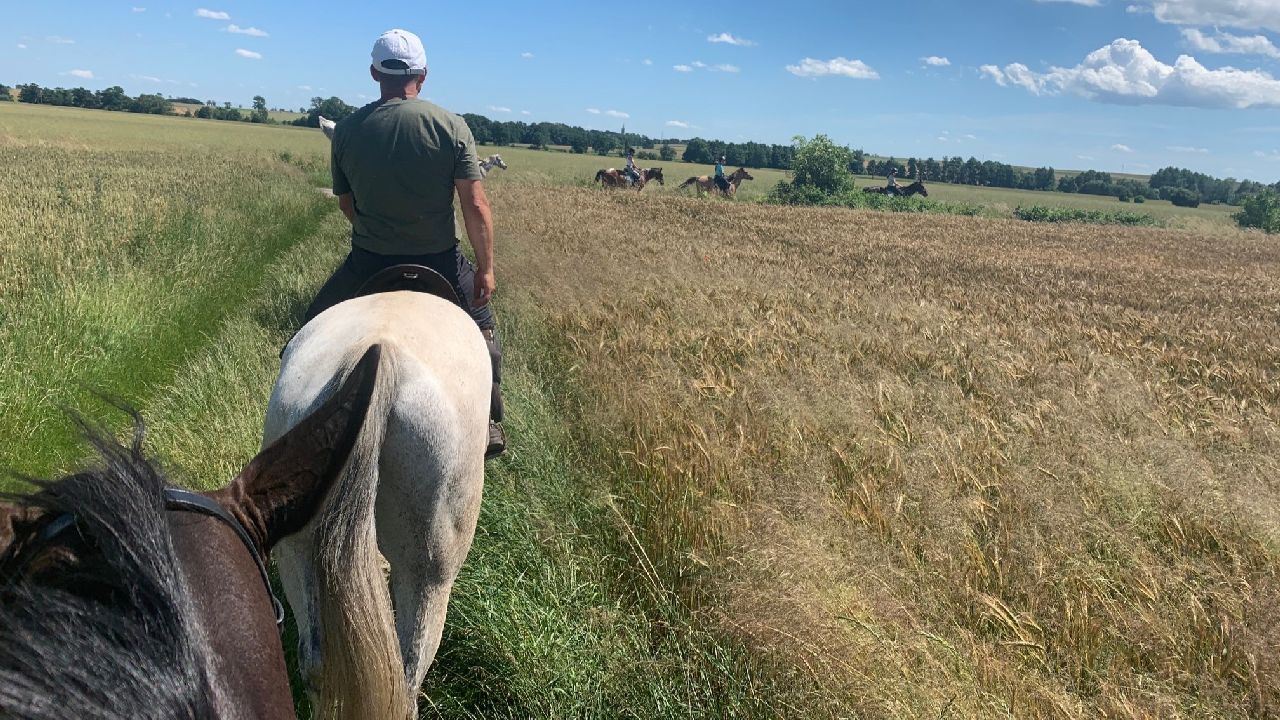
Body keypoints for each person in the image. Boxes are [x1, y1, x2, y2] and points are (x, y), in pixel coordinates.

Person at [301, 28, 506, 459]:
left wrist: (379, 229)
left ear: (375, 72)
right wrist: (485, 269)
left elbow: (346, 204)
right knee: (484, 326)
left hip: (368, 262)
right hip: (441, 262)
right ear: (423, 75)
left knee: (305, 335)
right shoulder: (451, 126)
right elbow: (475, 204)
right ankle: (488, 419)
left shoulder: (348, 130)